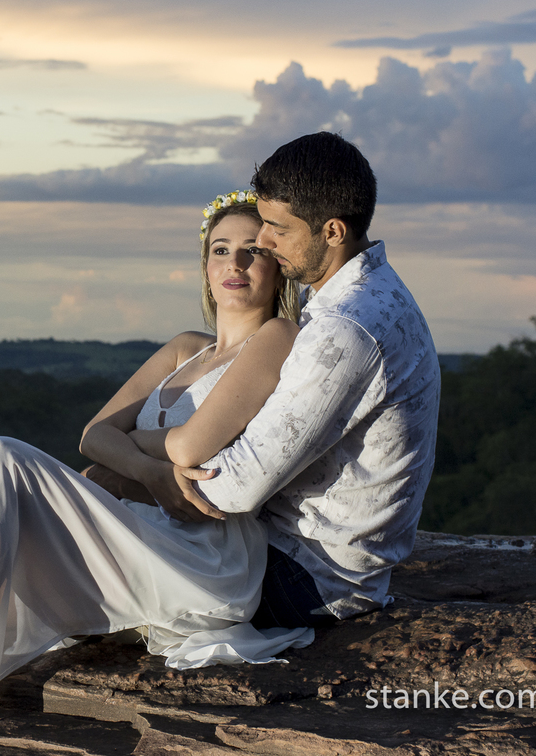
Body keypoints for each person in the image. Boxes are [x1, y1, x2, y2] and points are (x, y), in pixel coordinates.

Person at [0, 195, 313, 743]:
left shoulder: (278, 338)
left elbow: (188, 447)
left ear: (277, 263)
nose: (235, 264)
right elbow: (93, 436)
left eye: (253, 250)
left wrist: (130, 451)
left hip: (202, 555)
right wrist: (149, 472)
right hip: (138, 527)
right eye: (221, 250)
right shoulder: (185, 348)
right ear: (205, 266)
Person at [174, 132, 441, 629]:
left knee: (72, 546)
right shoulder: (375, 292)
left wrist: (152, 464)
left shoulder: (345, 328)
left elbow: (233, 490)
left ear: (333, 231)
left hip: (307, 578)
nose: (263, 241)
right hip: (299, 557)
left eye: (277, 228)